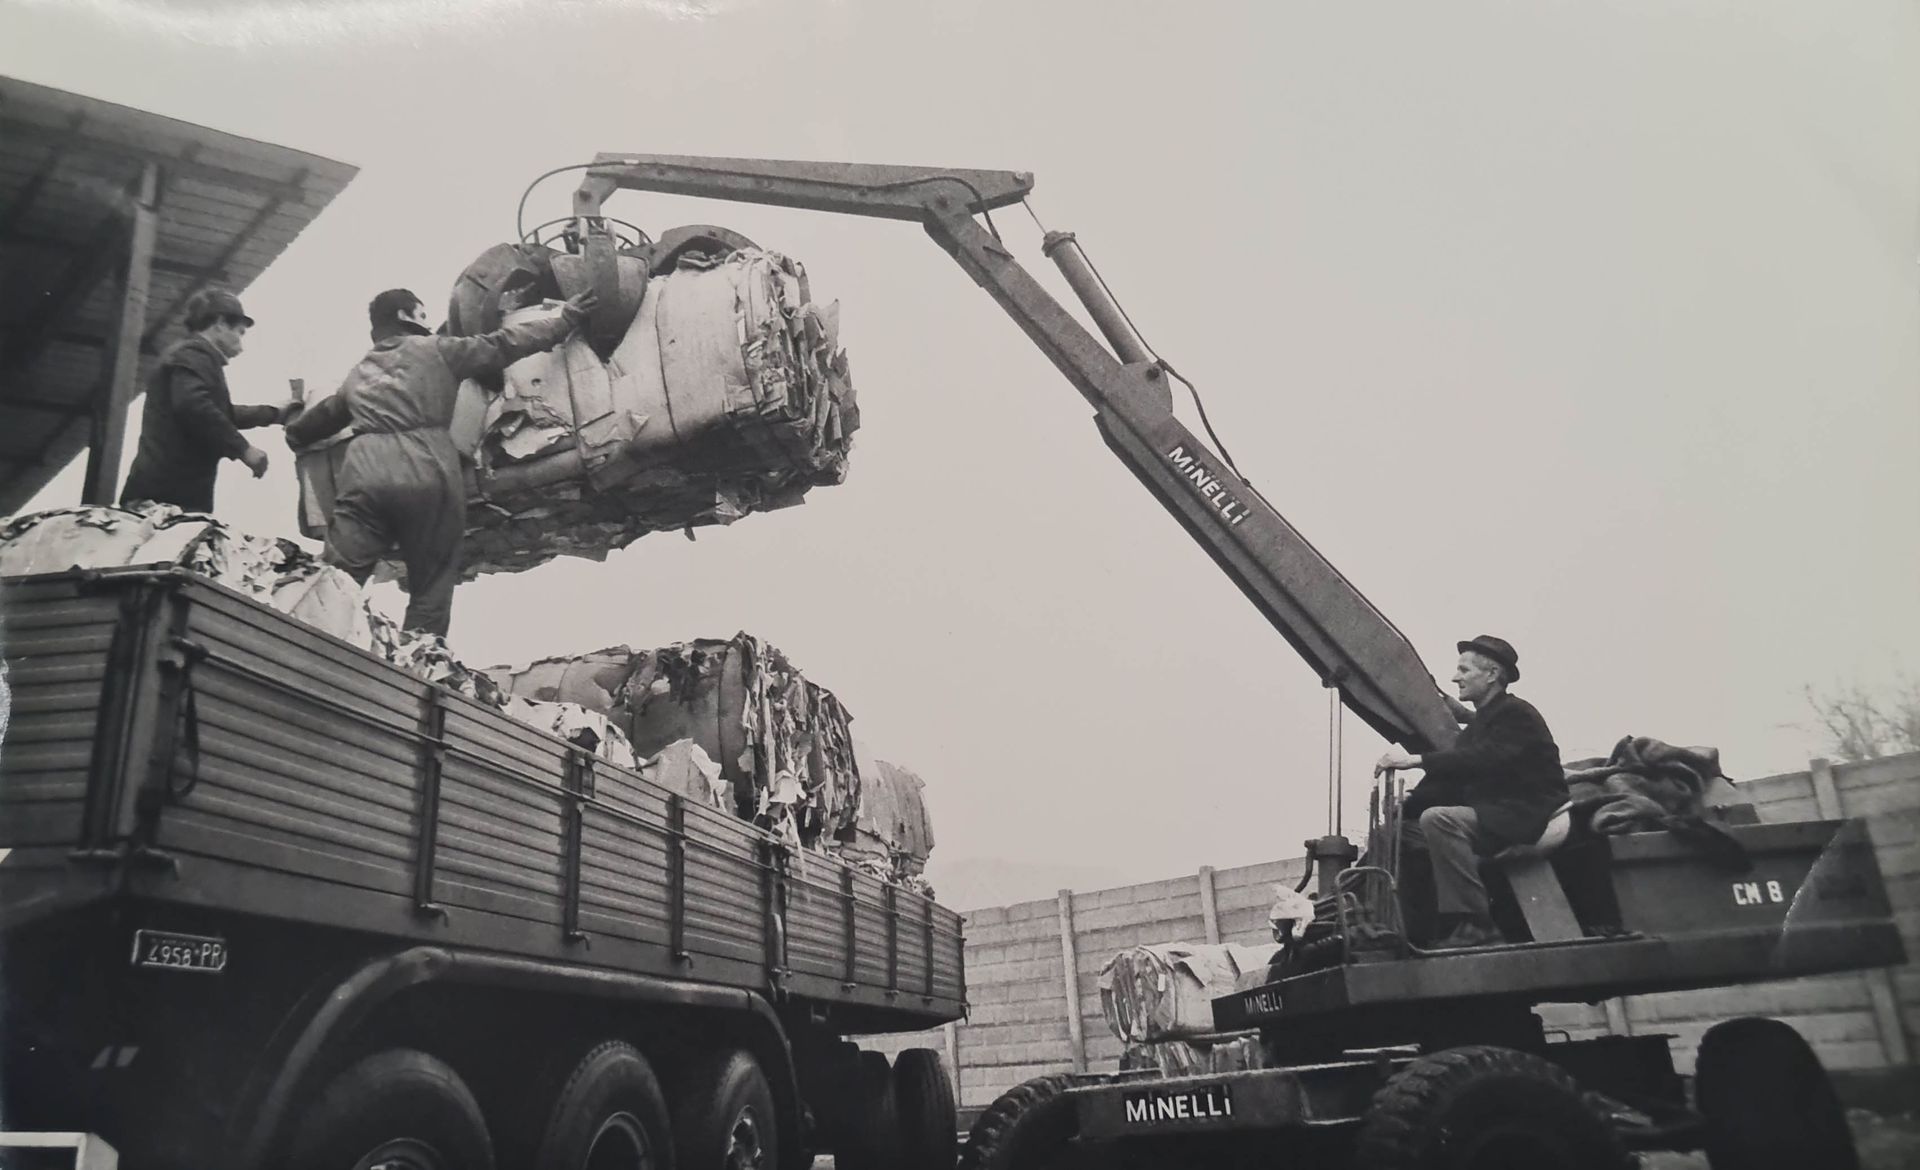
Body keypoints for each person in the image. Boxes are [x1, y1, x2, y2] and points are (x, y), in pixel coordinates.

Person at [286, 287, 596, 638]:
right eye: (421, 314)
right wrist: (563, 321)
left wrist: (294, 430)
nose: (428, 321)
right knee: (430, 583)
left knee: (338, 579)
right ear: (405, 316)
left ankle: (307, 646)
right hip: (425, 468)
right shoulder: (438, 350)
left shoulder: (360, 371)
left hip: (364, 474)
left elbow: (323, 418)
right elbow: (502, 344)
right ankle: (418, 657)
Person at [1374, 635, 1568, 949]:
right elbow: (1450, 777)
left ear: (1491, 675)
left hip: (1526, 813)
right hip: (1498, 814)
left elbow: (1482, 759)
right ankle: (1416, 929)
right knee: (1400, 833)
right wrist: (1406, 808)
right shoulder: (1483, 723)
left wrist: (1415, 760)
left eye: (1464, 670)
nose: (1455, 678)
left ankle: (1476, 923)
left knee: (1439, 820)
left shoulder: (1517, 714)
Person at [121, 289, 299, 513]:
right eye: (240, 332)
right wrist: (243, 449)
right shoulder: (194, 354)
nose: (241, 344)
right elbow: (194, 407)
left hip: (165, 493)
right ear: (220, 324)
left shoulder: (189, 356)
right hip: (165, 499)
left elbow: (217, 412)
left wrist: (274, 413)